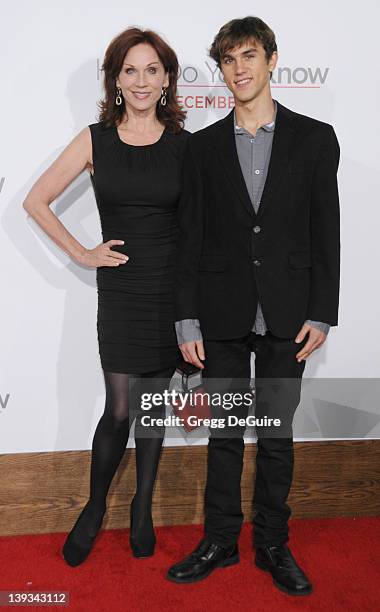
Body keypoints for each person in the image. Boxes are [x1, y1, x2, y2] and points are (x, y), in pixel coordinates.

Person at [167, 16, 340, 596]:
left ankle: (271, 543)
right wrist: (185, 316)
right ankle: (219, 540)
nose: (239, 69)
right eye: (228, 60)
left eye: (248, 56)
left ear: (271, 59)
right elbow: (189, 236)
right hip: (219, 314)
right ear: (220, 70)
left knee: (275, 436)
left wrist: (321, 311)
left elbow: (325, 233)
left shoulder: (316, 139)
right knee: (222, 435)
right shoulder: (202, 147)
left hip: (288, 316)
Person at [22, 27, 189, 566]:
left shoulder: (189, 146)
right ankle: (95, 508)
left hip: (171, 290)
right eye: (130, 71)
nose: (141, 81)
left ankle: (142, 507)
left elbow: (205, 228)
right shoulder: (96, 139)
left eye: (152, 70)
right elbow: (36, 200)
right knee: (120, 407)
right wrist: (80, 251)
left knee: (152, 406)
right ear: (116, 80)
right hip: (120, 290)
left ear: (167, 79)